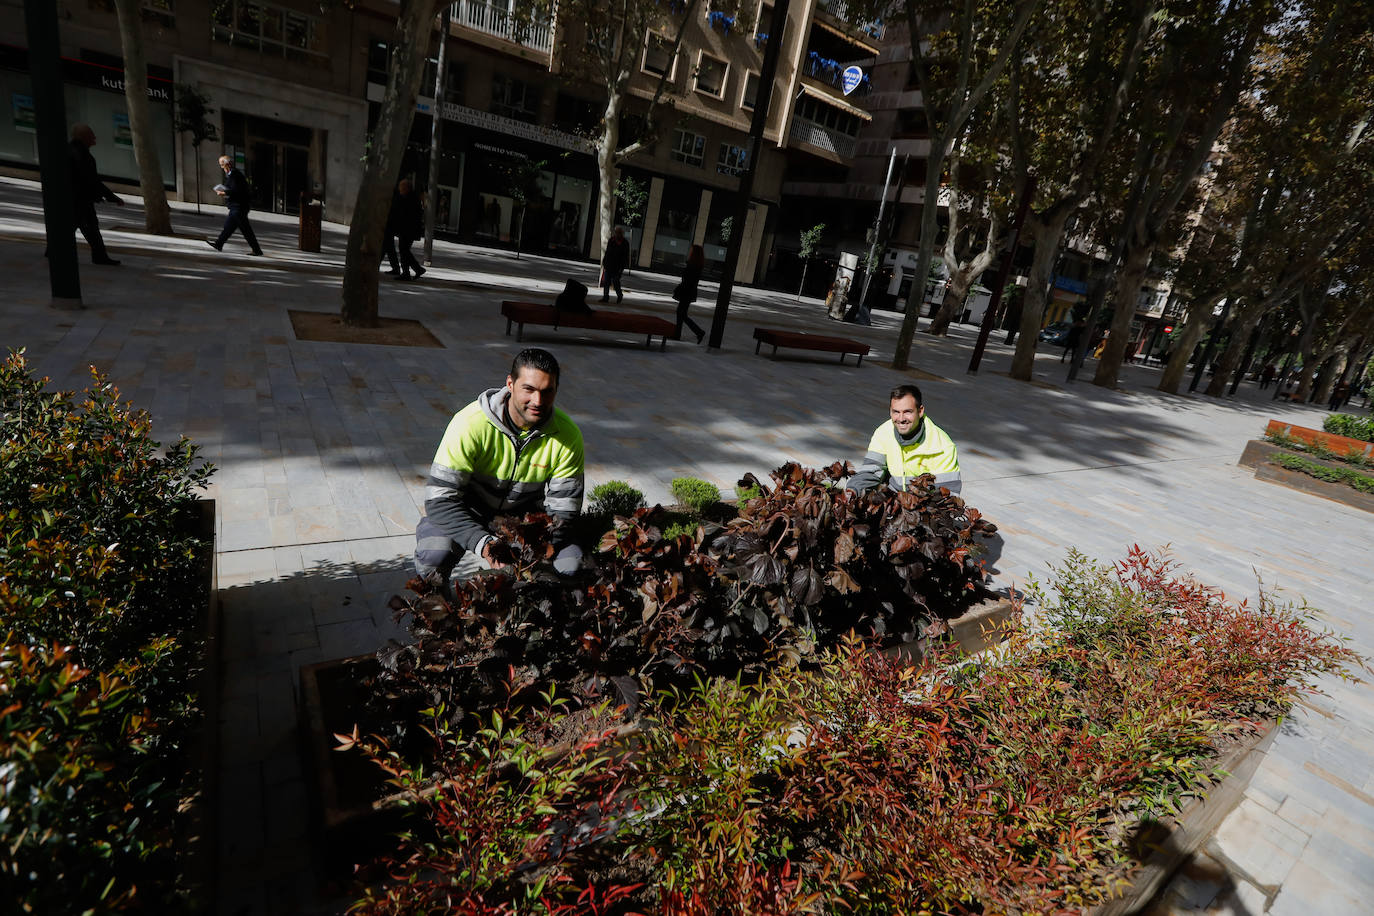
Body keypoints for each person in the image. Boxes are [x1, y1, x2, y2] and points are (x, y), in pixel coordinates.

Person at [414, 348, 585, 591]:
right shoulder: (469, 424)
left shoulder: (568, 436)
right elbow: (440, 500)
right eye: (529, 389)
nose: (538, 401)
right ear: (510, 384)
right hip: (466, 509)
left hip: (523, 520)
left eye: (547, 391)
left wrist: (530, 554)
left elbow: (564, 513)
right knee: (434, 553)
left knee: (571, 564)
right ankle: (436, 611)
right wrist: (484, 543)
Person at [847, 384, 961, 495]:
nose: (901, 419)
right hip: (891, 501)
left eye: (907, 412)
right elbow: (871, 471)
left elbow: (948, 495)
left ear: (920, 411)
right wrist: (852, 491)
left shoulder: (943, 446)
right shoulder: (883, 433)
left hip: (925, 507)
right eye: (896, 412)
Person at [68, 123, 123, 265]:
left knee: (82, 226)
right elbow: (91, 179)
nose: (94, 137)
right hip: (80, 199)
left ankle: (53, 251)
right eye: (91, 135)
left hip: (75, 198)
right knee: (90, 227)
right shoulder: (81, 155)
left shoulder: (73, 151)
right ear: (84, 137)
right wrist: (111, 196)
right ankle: (99, 256)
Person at [207, 155, 263, 256]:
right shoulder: (232, 174)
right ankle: (219, 244)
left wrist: (223, 193)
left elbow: (236, 190)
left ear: (227, 165)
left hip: (239, 207)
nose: (221, 167)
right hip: (237, 206)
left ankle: (257, 250)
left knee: (246, 230)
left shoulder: (235, 175)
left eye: (222, 165)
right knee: (229, 227)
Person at [672, 244, 707, 344]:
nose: (689, 252)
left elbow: (688, 280)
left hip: (687, 291)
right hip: (689, 291)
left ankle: (699, 332)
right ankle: (678, 334)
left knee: (681, 313)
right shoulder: (695, 265)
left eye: (691, 251)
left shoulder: (693, 266)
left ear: (694, 253)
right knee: (681, 313)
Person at [393, 179, 425, 280]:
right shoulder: (410, 197)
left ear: (406, 188)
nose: (399, 189)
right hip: (408, 229)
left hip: (408, 230)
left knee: (404, 250)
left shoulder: (409, 199)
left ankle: (410, 271)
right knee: (404, 250)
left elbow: (406, 215)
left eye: (401, 187)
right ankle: (412, 270)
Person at [600, 226, 630, 302]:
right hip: (609, 265)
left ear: (622, 233)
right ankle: (605, 297)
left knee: (616, 282)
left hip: (618, 267)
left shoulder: (625, 243)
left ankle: (619, 295)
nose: (617, 234)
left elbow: (625, 256)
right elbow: (607, 252)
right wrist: (604, 262)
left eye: (619, 233)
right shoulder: (611, 240)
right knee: (606, 282)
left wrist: (622, 267)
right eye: (616, 232)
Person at [381, 182, 401, 276]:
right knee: (388, 247)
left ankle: (395, 268)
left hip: (389, 225)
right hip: (390, 225)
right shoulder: (396, 196)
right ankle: (395, 267)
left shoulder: (393, 198)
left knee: (387, 246)